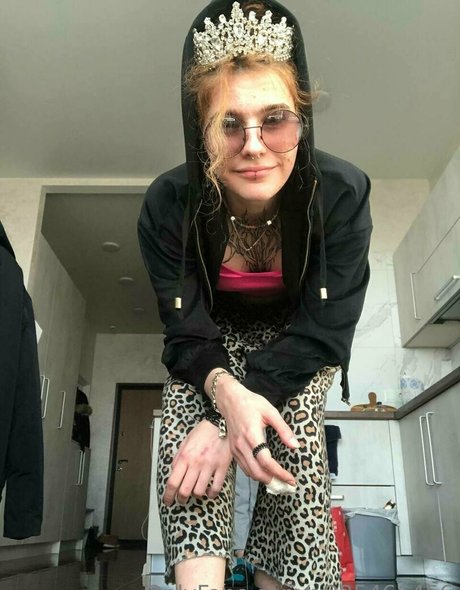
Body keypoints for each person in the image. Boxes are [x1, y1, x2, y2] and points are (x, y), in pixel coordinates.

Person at [138, 1, 372, 588]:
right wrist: (221, 401)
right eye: (228, 124)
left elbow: (323, 331)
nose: (254, 144)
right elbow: (186, 331)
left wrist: (231, 425)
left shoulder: (342, 195)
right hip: (208, 344)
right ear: (200, 131)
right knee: (185, 429)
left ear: (302, 121)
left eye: (275, 119)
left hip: (298, 341)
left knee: (295, 433)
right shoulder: (167, 204)